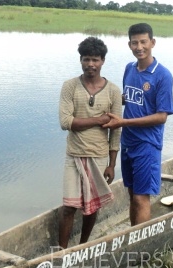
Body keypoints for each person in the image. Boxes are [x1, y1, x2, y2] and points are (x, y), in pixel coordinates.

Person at [103, 23, 173, 226]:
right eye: (135, 43)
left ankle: (141, 251)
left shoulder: (163, 76)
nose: (139, 47)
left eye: (144, 42)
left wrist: (123, 122)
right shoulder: (130, 69)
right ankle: (132, 237)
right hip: (128, 143)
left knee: (141, 198)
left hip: (147, 145)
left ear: (153, 42)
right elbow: (130, 98)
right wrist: (112, 102)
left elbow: (162, 116)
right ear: (129, 45)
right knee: (132, 194)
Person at [58, 37, 122, 249]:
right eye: (86, 60)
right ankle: (62, 251)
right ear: (81, 60)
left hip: (99, 156)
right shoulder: (70, 87)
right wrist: (98, 120)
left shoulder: (112, 91)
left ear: (103, 61)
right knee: (68, 207)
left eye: (95, 60)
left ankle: (83, 246)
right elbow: (66, 122)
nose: (90, 65)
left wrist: (112, 164)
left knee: (92, 207)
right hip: (74, 154)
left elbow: (116, 129)